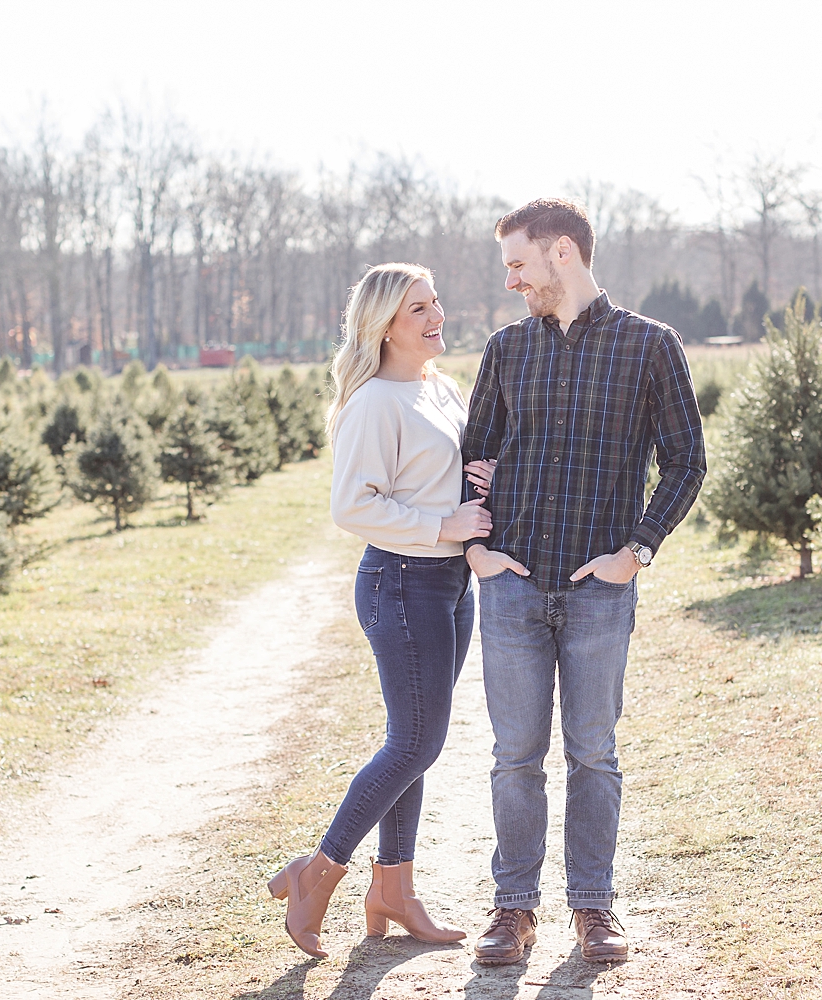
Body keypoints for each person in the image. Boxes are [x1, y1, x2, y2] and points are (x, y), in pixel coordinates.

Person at [462, 199, 706, 965]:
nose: (511, 282)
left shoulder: (649, 346)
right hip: (512, 585)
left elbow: (687, 461)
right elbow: (473, 456)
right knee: (514, 757)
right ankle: (512, 908)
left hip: (600, 587)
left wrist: (637, 549)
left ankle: (593, 907)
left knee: (593, 753)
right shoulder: (506, 350)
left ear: (562, 253)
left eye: (518, 265)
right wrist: (478, 547)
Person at [268, 262, 496, 959]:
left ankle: (393, 889)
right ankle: (319, 871)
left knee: (415, 741)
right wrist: (445, 525)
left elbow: (434, 477)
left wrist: (476, 479)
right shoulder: (373, 402)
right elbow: (353, 506)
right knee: (415, 742)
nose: (436, 318)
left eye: (435, 302)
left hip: (449, 586)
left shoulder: (440, 387)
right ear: (382, 326)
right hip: (401, 582)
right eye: (416, 310)